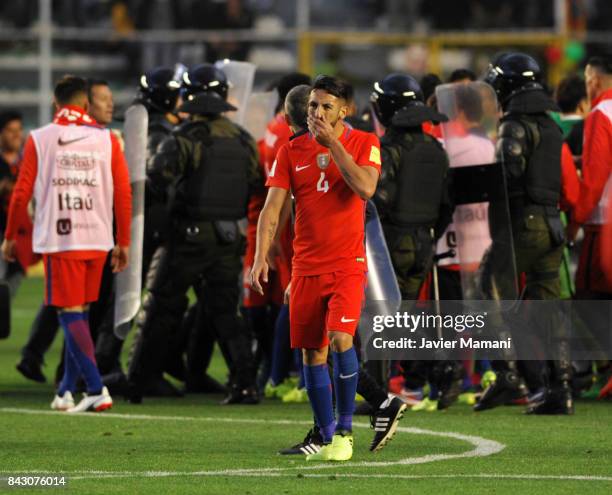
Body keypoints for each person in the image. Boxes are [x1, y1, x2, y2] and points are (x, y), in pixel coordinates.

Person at [251, 75, 381, 462]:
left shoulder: (365, 143)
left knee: (341, 337)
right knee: (311, 353)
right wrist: (261, 255)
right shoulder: (291, 151)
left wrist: (333, 146)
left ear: (346, 110)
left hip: (347, 262)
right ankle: (324, 434)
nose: (317, 113)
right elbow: (271, 208)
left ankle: (345, 433)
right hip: (305, 264)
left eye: (326, 106)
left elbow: (365, 188)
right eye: (312, 106)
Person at [127, 63, 261, 405]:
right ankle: (244, 383)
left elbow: (158, 180)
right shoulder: (243, 139)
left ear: (188, 96)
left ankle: (140, 380)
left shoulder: (184, 138)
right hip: (230, 238)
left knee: (163, 307)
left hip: (188, 237)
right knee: (226, 313)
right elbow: (256, 183)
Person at [1, 75, 132, 412]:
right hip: (99, 238)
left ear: (55, 104)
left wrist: (9, 236)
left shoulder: (41, 138)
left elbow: (21, 192)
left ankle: (95, 387)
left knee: (68, 313)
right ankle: (64, 391)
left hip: (62, 239)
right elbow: (123, 192)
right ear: (85, 104)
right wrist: (124, 242)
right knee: (82, 312)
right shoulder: (107, 140)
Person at [478, 53, 569, 414]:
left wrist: (473, 183)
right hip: (552, 226)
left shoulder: (514, 124)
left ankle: (507, 373)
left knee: (486, 289)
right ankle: (561, 391)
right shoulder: (551, 124)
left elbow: (507, 175)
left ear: (509, 84)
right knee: (550, 310)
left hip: (522, 224)